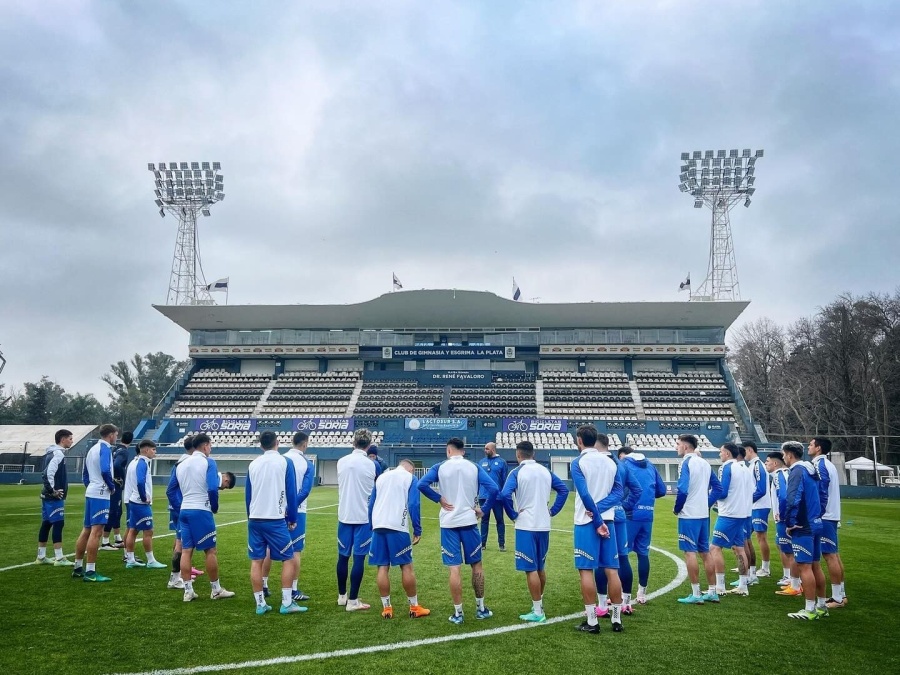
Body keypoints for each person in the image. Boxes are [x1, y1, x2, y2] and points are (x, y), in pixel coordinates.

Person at [419, 437, 498, 625]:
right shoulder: (473, 466)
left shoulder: (440, 467)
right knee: (476, 565)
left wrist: (438, 498)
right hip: (469, 522)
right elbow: (494, 489)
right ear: (463, 451)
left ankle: (458, 613)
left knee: (454, 568)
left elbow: (421, 484)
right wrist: (484, 510)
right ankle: (481, 609)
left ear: (448, 450)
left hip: (449, 523)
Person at [499, 440, 569, 623]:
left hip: (526, 525)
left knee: (530, 569)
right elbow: (563, 490)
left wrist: (513, 514)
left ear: (518, 454)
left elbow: (504, 494)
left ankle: (538, 612)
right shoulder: (545, 471)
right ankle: (539, 603)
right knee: (540, 567)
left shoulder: (517, 472)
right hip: (543, 524)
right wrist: (552, 511)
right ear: (534, 454)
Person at [570, 424, 624, 634]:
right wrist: (601, 513)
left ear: (579, 441)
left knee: (586, 570)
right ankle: (616, 619)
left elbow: (584, 494)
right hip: (608, 521)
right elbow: (618, 492)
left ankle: (592, 622)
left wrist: (595, 517)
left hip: (586, 522)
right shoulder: (610, 462)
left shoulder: (578, 462)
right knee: (612, 570)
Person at [246, 431, 303, 615]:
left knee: (256, 561)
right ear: (277, 442)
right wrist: (292, 518)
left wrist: (250, 516)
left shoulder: (253, 464)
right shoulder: (285, 462)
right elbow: (291, 493)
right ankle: (286, 602)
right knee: (289, 558)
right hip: (275, 520)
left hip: (255, 519)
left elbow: (248, 495)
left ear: (261, 445)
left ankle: (260, 604)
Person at [174, 432, 235, 602]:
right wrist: (214, 507)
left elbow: (173, 489)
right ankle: (216, 590)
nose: (211, 449)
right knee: (210, 551)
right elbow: (212, 488)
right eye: (210, 445)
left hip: (185, 510)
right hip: (201, 510)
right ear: (206, 445)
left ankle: (188, 591)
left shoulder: (181, 464)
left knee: (186, 551)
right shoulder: (209, 462)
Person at [368, 458, 430, 619]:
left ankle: (387, 608)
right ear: (410, 469)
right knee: (406, 566)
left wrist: (371, 525)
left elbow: (371, 503)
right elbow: (414, 504)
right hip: (397, 527)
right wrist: (417, 529)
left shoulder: (381, 477)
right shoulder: (410, 478)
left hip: (378, 525)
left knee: (382, 567)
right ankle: (414, 607)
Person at [593, 434, 639, 617]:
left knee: (601, 561)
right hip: (618, 515)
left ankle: (602, 605)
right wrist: (624, 506)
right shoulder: (620, 465)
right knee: (622, 557)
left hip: (602, 515)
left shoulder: (595, 463)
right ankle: (626, 603)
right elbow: (637, 489)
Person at [674, 433, 722, 605]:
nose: (676, 447)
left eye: (678, 444)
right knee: (705, 552)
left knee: (690, 552)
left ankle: (696, 593)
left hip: (689, 515)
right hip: (703, 515)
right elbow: (718, 488)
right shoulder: (705, 463)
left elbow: (683, 489)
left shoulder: (686, 462)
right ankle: (712, 591)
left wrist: (677, 508)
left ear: (686, 446)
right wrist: (705, 504)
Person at [336, 428, 381, 611]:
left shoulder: (341, 461)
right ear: (369, 445)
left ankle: (342, 596)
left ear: (353, 442)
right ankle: (353, 601)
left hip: (344, 515)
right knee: (359, 559)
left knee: (342, 557)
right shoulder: (373, 465)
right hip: (363, 517)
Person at [782, 441, 828, 620]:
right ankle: (822, 606)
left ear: (789, 455)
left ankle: (810, 610)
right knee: (816, 565)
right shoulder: (811, 470)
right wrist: (818, 514)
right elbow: (823, 493)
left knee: (805, 567)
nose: (783, 458)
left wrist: (790, 522)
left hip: (803, 525)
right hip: (815, 522)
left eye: (784, 455)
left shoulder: (797, 471)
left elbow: (792, 498)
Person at [619, 445, 667, 604]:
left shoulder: (624, 464)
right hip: (647, 515)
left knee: (622, 555)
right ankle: (642, 593)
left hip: (630, 514)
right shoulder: (650, 465)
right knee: (643, 553)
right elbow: (662, 490)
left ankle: (623, 594)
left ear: (623, 455)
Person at [72, 424, 119, 582]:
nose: (116, 437)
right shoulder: (105, 449)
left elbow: (84, 473)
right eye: (116, 435)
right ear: (111, 435)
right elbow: (105, 470)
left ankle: (78, 567)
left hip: (92, 491)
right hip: (100, 493)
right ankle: (90, 572)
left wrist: (90, 486)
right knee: (96, 532)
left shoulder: (92, 449)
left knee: (86, 530)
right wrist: (111, 486)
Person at [709, 442, 755, 597]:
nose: (719, 454)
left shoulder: (726, 467)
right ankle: (743, 585)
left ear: (727, 453)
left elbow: (722, 492)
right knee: (740, 548)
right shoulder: (744, 468)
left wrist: (710, 494)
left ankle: (720, 587)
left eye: (721, 451)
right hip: (743, 513)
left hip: (729, 513)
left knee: (715, 548)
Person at [808, 437, 847, 609]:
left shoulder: (820, 465)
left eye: (811, 444)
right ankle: (841, 594)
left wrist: (817, 513)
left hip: (825, 516)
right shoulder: (827, 464)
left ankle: (837, 598)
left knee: (829, 555)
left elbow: (821, 490)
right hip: (830, 515)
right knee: (834, 554)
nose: (808, 447)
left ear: (818, 448)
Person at [122, 440, 167, 569]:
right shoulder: (142, 463)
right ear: (146, 450)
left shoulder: (134, 462)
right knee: (148, 531)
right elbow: (141, 482)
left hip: (132, 500)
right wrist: (143, 497)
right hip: (140, 502)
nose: (155, 452)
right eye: (153, 449)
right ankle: (151, 560)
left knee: (133, 530)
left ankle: (130, 559)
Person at [283, 431, 315, 603]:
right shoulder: (307, 463)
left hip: (277, 510)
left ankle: (264, 586)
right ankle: (293, 590)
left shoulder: (281, 459)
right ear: (305, 444)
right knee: (295, 550)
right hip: (298, 510)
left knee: (267, 549)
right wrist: (292, 507)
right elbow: (305, 490)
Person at [36, 429, 75, 567]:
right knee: (58, 523)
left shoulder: (51, 453)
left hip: (46, 495)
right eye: (70, 438)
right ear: (63, 439)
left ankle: (41, 556)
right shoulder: (58, 454)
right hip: (53, 497)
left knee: (46, 524)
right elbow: (47, 473)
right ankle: (59, 558)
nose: (72, 441)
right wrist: (52, 491)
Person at [768, 448, 802, 596]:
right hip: (787, 516)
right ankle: (791, 579)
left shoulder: (779, 475)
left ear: (775, 463)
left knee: (790, 552)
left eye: (768, 461)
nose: (766, 464)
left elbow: (783, 497)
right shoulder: (787, 473)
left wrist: (782, 516)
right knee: (782, 546)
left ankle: (795, 584)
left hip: (783, 518)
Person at [737, 441, 770, 585]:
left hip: (759, 506)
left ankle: (765, 568)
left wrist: (747, 501)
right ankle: (749, 568)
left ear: (749, 450)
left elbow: (761, 490)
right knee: (747, 537)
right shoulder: (751, 466)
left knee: (760, 536)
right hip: (753, 506)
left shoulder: (757, 465)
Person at [101, 431, 132, 551]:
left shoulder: (115, 449)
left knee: (118, 511)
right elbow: (117, 464)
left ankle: (117, 537)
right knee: (114, 511)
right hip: (116, 485)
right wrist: (118, 477)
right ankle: (105, 541)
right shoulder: (124, 451)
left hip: (113, 484)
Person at [479, 442, 509, 551]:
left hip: (497, 497)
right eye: (485, 448)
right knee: (484, 520)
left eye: (487, 449)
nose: (485, 450)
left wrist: (503, 494)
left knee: (500, 520)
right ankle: (482, 544)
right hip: (484, 496)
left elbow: (504, 480)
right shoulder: (481, 462)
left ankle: (501, 545)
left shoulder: (502, 462)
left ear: (493, 449)